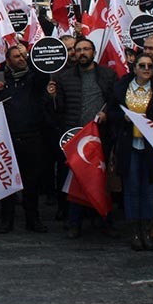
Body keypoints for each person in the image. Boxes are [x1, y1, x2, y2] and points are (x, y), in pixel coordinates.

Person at [51, 37, 118, 237]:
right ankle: (74, 222)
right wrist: (51, 95)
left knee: (99, 179)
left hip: (99, 137)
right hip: (75, 137)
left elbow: (115, 102)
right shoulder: (64, 77)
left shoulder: (108, 75)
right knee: (76, 181)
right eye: (78, 50)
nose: (82, 53)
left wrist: (107, 114)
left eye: (86, 49)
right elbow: (59, 109)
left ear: (93, 52)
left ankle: (102, 219)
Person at [107, 51, 153, 251]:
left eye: (149, 66)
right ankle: (134, 230)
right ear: (134, 68)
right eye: (142, 65)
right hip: (130, 145)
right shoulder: (122, 87)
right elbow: (112, 112)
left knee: (150, 190)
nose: (146, 69)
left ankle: (147, 229)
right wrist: (123, 118)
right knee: (132, 189)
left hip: (151, 147)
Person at [0, 44, 53, 233]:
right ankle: (6, 220)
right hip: (7, 138)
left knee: (31, 182)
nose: (21, 59)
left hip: (32, 137)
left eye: (23, 56)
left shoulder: (33, 79)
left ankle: (32, 218)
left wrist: (34, 56)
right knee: (7, 182)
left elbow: (43, 76)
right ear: (8, 60)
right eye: (17, 56)